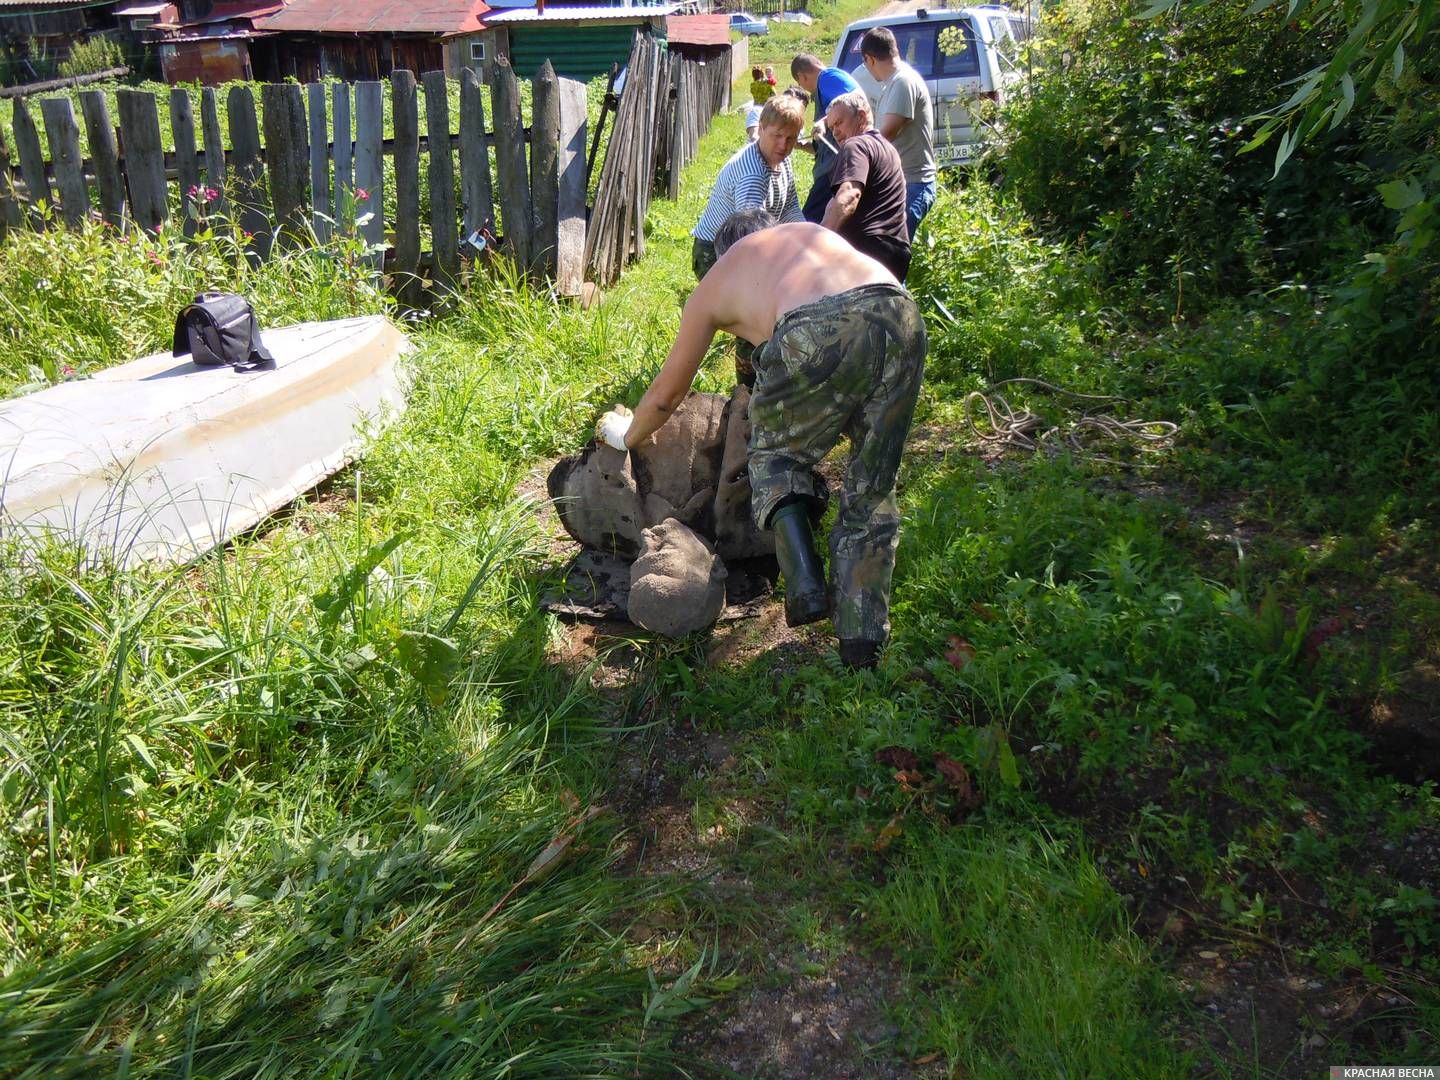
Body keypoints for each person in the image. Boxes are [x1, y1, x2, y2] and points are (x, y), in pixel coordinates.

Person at [595, 211, 927, 669]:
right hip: (900, 313)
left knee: (774, 463)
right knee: (872, 487)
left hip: (818, 325)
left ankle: (805, 585)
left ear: (721, 251)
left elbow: (668, 395)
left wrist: (626, 434)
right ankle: (862, 643)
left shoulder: (720, 277)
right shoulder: (807, 236)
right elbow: (780, 362)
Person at [692, 95, 806, 383]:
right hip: (717, 252)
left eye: (791, 138)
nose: (784, 145)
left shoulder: (782, 160)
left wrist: (809, 242)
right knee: (749, 317)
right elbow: (748, 240)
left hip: (751, 245)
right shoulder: (753, 175)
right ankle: (748, 387)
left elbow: (790, 206)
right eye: (777, 136)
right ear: (762, 129)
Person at [856, 27, 937, 240]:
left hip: (914, 183)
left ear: (869, 59)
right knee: (886, 252)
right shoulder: (893, 82)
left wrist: (856, 150)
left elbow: (887, 134)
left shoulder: (902, 81)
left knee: (891, 253)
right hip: (904, 182)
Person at [821, 90, 911, 282]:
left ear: (861, 116)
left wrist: (818, 243)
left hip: (867, 252)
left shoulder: (855, 145)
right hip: (896, 252)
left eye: (839, 123)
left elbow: (848, 197)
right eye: (831, 127)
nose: (835, 132)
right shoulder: (887, 148)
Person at [790, 52, 861, 225]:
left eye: (800, 83)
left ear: (802, 76)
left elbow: (853, 103)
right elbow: (822, 146)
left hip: (834, 168)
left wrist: (823, 121)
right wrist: (800, 145)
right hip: (833, 166)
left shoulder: (828, 78)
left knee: (809, 220)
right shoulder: (827, 83)